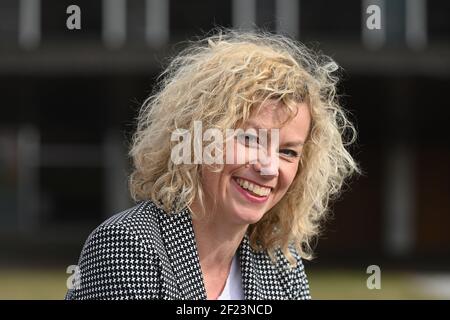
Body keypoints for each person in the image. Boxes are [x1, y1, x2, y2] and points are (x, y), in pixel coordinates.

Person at [65, 30, 359, 300]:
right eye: (250, 139)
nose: (269, 167)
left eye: (288, 152)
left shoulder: (280, 263)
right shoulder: (127, 245)